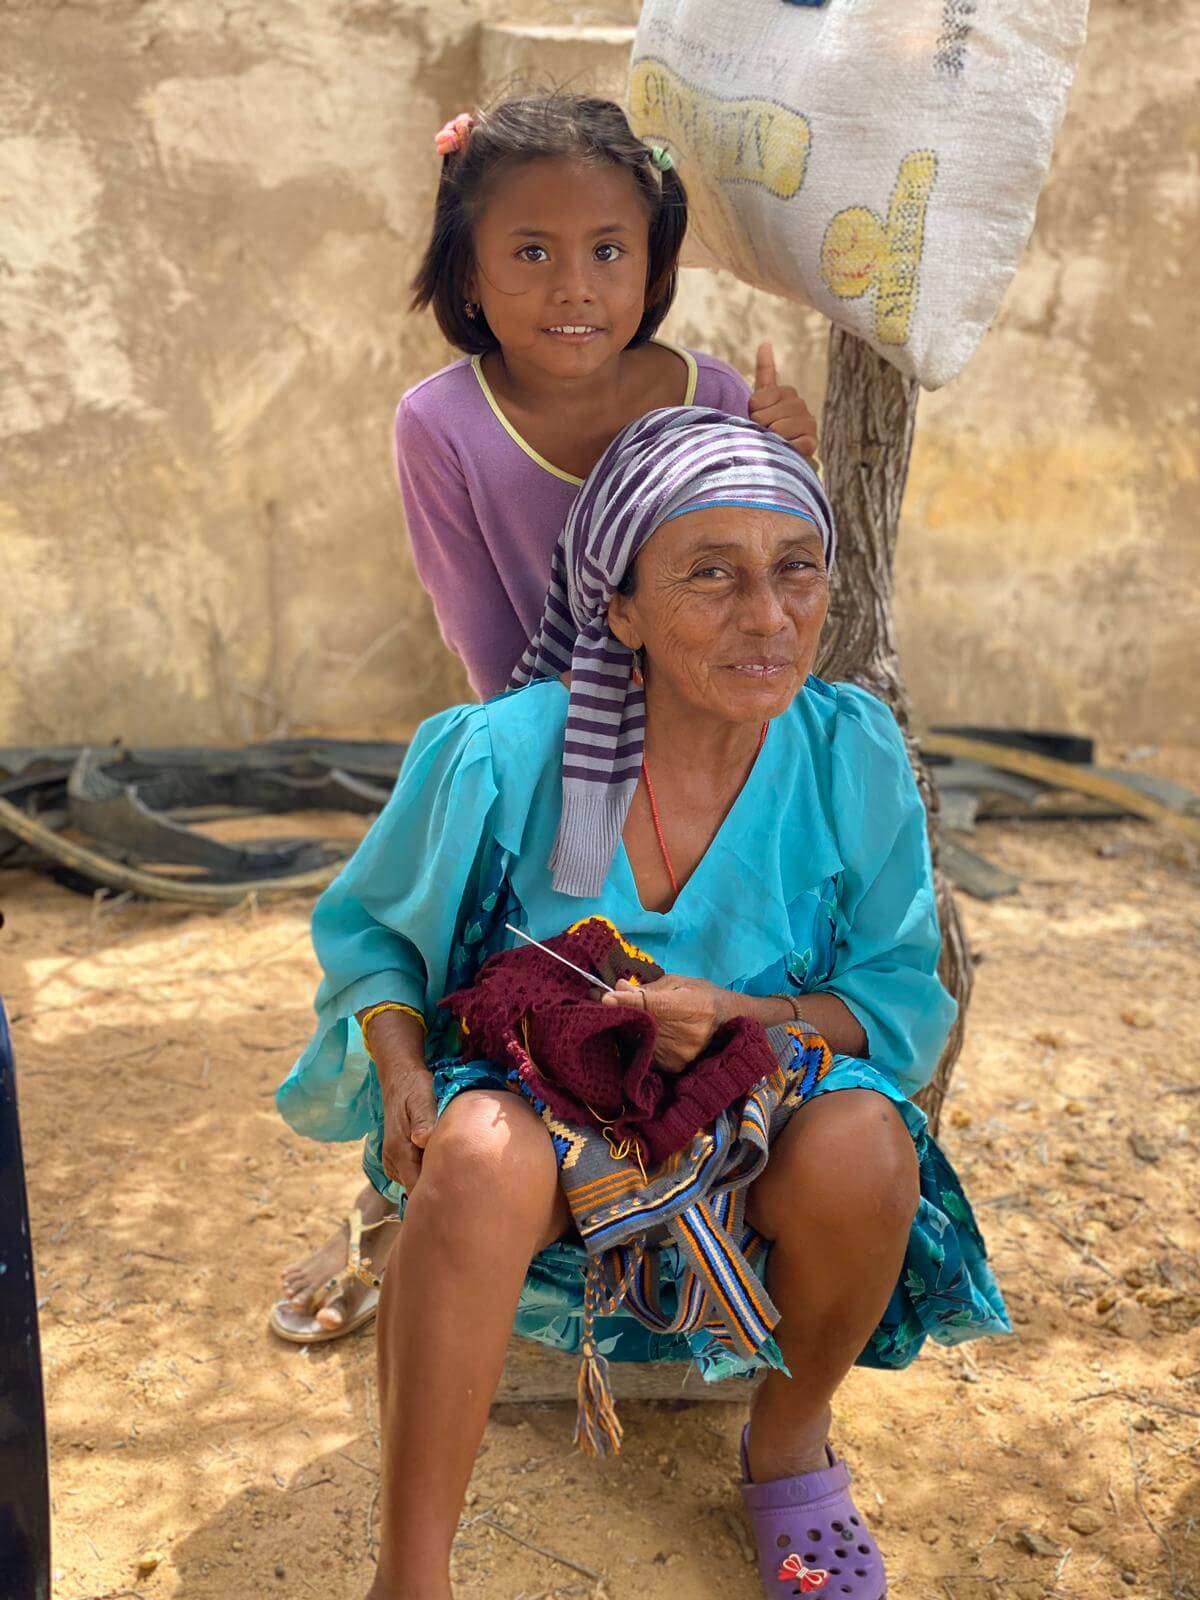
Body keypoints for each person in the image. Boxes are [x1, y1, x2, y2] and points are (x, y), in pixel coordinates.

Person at [276, 408, 1009, 1600]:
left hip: (763, 1097)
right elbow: (374, 945)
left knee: (871, 1149)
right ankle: (411, 1578)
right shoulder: (501, 754)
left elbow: (889, 991)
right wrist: (407, 1074)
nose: (767, 616)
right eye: (709, 575)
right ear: (618, 609)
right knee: (471, 1150)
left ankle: (787, 1445)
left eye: (794, 570)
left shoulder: (849, 751)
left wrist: (739, 1016)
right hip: (544, 1107)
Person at [274, 91, 821, 1340]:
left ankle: (690, 1219)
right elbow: (480, 636)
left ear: (655, 260)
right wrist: (550, 785)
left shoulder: (709, 387)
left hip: (703, 753)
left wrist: (786, 452)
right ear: (465, 266)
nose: (574, 287)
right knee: (467, 981)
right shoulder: (443, 423)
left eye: (609, 251)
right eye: (530, 252)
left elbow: (760, 567)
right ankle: (395, 1206)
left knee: (681, 997)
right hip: (532, 742)